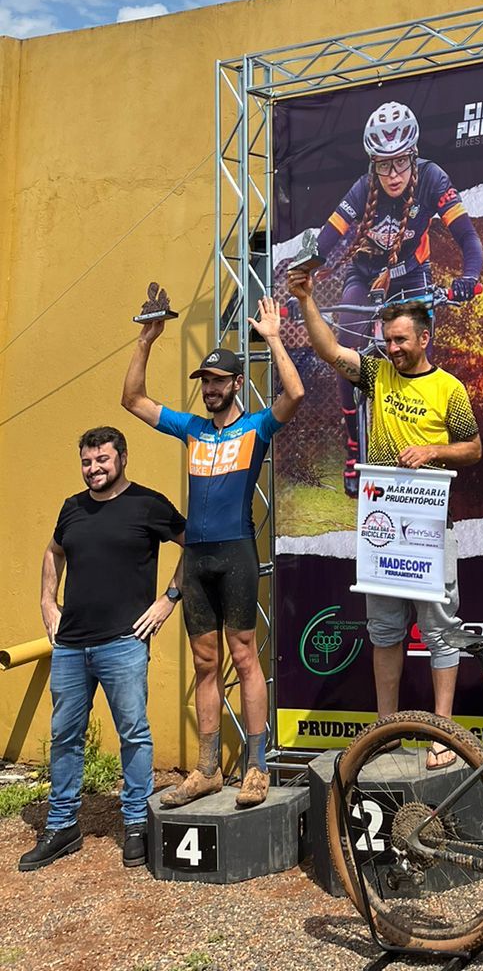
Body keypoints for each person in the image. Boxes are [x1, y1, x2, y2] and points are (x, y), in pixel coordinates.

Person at [121, 297, 303, 808]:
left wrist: (274, 338)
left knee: (244, 658)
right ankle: (207, 770)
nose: (210, 389)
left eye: (219, 381)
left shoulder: (256, 427)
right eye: (205, 381)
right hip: (197, 560)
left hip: (236, 554)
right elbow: (132, 399)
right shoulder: (192, 429)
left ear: (237, 383)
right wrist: (146, 340)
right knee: (205, 663)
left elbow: (295, 393)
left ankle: (256, 766)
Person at [287, 269, 481, 738]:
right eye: (387, 340)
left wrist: (432, 451)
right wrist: (308, 300)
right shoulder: (377, 375)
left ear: (424, 338)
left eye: (400, 340)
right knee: (385, 631)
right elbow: (330, 351)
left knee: (440, 631)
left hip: (431, 525)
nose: (391, 348)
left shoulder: (449, 388)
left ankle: (444, 732)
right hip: (382, 527)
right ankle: (385, 728)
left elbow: (474, 448)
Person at [19, 427, 185, 872]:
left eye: (102, 460)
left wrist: (168, 599)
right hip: (71, 645)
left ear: (122, 458)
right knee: (64, 736)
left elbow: (195, 546)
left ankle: (136, 824)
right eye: (87, 462)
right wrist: (47, 602)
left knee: (133, 734)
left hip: (123, 642)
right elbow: (53, 552)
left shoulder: (148, 504)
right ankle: (62, 826)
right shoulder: (71, 507)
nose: (94, 468)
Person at [308, 100, 483, 496]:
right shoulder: (363, 187)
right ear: (373, 163)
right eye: (383, 164)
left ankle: (424, 453)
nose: (393, 174)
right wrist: (305, 272)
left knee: (417, 361)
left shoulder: (433, 178)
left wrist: (468, 277)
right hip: (365, 274)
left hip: (414, 276)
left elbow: (468, 237)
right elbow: (327, 239)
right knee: (345, 352)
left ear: (413, 155)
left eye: (401, 162)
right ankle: (354, 444)